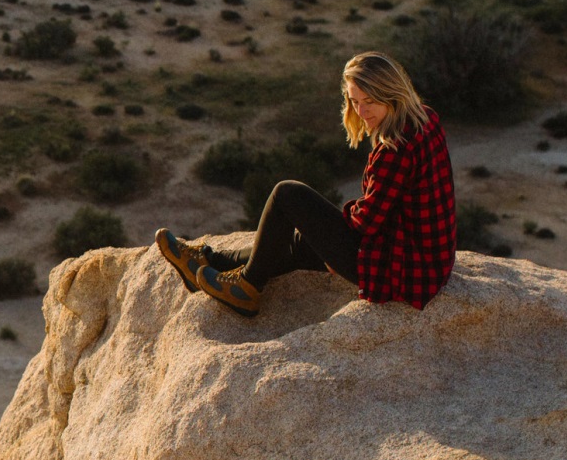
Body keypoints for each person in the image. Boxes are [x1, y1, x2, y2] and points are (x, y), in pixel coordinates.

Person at [155, 52, 457, 318]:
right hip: (430, 261)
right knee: (302, 241)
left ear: (392, 94)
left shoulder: (394, 148)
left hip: (403, 270)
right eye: (354, 101)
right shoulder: (425, 118)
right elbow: (393, 205)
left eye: (370, 102)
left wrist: (338, 228)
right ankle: (210, 262)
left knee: (288, 194)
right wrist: (327, 235)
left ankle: (247, 287)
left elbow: (367, 223)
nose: (362, 112)